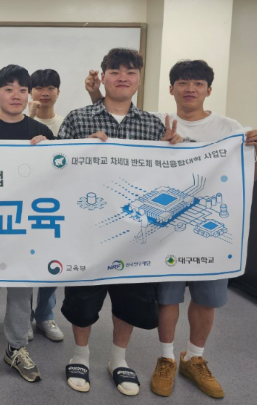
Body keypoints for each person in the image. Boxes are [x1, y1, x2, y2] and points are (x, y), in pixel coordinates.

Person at [86, 59, 257, 399]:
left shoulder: (231, 128)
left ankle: (195, 358)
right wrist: (96, 94)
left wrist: (254, 151)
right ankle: (167, 358)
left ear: (209, 90)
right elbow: (119, 120)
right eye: (182, 83)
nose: (190, 89)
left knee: (206, 298)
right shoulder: (158, 122)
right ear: (171, 89)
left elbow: (253, 176)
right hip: (166, 237)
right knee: (168, 297)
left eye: (197, 83)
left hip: (210, 237)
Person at [58, 48, 182, 396]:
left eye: (130, 72)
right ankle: (80, 355)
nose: (122, 78)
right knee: (83, 301)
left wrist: (176, 150)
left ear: (139, 79)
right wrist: (77, 148)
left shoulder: (153, 125)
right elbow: (55, 165)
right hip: (87, 230)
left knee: (128, 299)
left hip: (136, 235)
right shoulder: (78, 118)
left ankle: (118, 359)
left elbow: (167, 180)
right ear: (103, 77)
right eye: (115, 71)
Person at [0, 64, 53, 383]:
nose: (16, 95)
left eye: (22, 90)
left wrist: (48, 151)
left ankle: (17, 348)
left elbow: (59, 174)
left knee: (20, 291)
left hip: (26, 226)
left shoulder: (40, 131)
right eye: (8, 89)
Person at [26, 69, 65, 342]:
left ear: (58, 92)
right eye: (39, 87)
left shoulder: (66, 124)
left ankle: (45, 315)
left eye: (50, 87)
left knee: (54, 261)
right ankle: (24, 316)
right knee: (27, 261)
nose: (44, 93)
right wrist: (29, 117)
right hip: (27, 202)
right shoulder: (22, 121)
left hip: (58, 203)